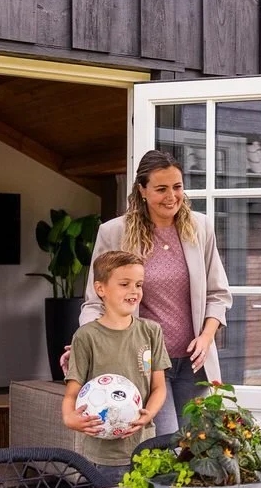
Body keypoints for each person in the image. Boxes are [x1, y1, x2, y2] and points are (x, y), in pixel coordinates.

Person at [72, 150, 231, 435]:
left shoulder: (201, 227)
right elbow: (96, 301)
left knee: (198, 445)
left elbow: (218, 294)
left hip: (194, 364)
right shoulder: (114, 232)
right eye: (161, 189)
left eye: (177, 187)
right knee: (167, 442)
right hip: (148, 364)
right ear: (142, 190)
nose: (171, 196)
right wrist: (85, 344)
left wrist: (206, 338)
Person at [62, 250, 169, 482]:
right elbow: (72, 392)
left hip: (145, 447)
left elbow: (159, 387)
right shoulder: (86, 336)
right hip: (104, 456)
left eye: (139, 284)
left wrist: (147, 414)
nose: (134, 291)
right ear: (101, 289)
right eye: (124, 284)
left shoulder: (151, 332)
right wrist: (70, 418)